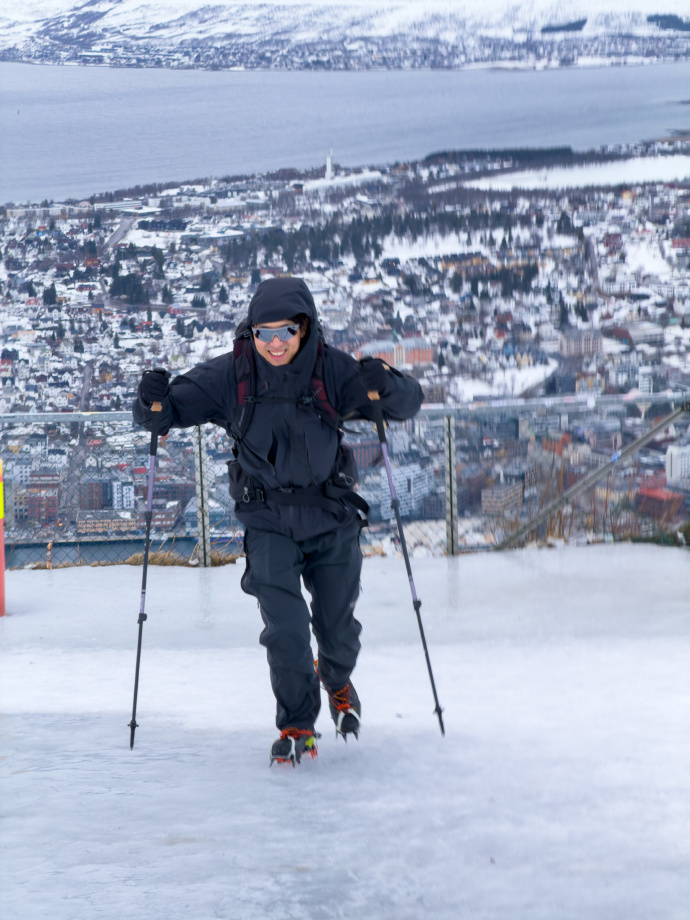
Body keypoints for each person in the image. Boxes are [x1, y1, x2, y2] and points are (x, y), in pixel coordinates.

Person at [134, 277, 423, 765]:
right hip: (268, 519)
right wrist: (151, 400)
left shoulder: (331, 371)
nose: (274, 343)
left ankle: (336, 679)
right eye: (263, 332)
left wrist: (385, 383)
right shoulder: (234, 376)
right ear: (251, 331)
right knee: (285, 628)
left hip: (331, 516)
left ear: (304, 328)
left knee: (337, 630)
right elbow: (163, 416)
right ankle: (296, 722)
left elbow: (406, 403)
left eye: (285, 331)